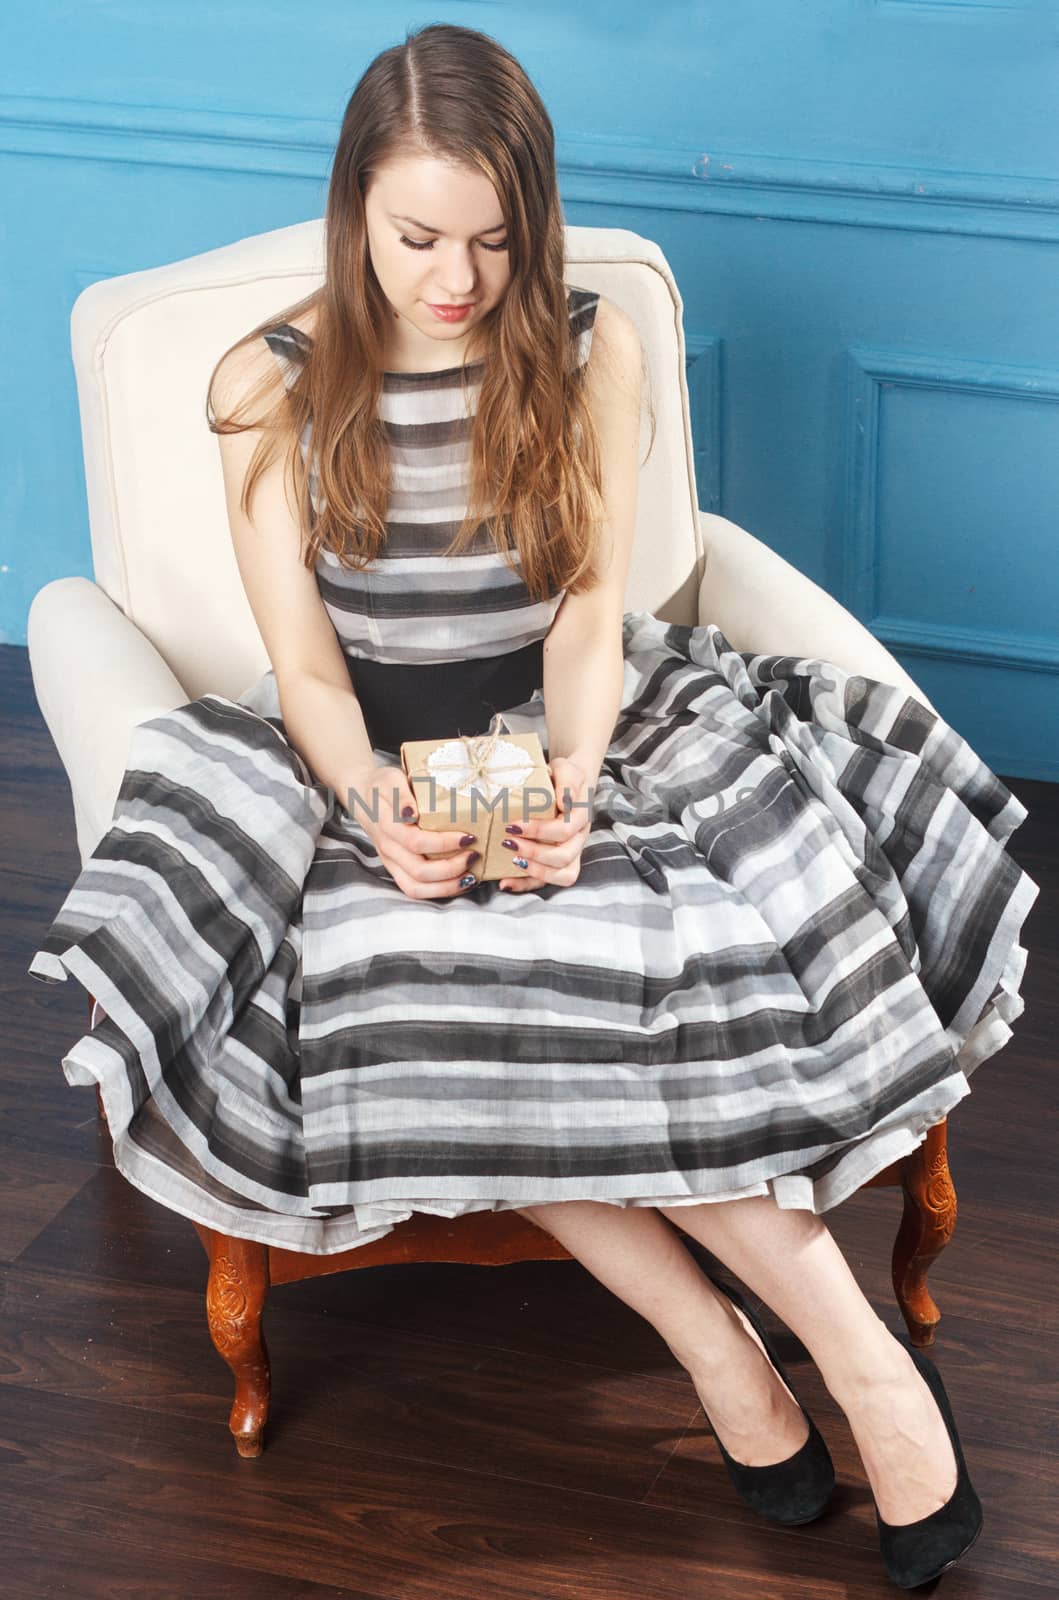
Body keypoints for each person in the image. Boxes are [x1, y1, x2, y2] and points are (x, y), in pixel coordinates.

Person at [28, 21, 1038, 1590]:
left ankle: (866, 1366)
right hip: (368, 764)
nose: (458, 277)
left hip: (575, 730)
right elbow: (302, 666)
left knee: (655, 982)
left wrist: (572, 778)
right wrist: (372, 801)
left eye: (496, 240)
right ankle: (722, 1352)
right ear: (353, 209)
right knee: (446, 1009)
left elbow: (584, 612)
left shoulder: (586, 345)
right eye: (419, 237)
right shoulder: (269, 383)